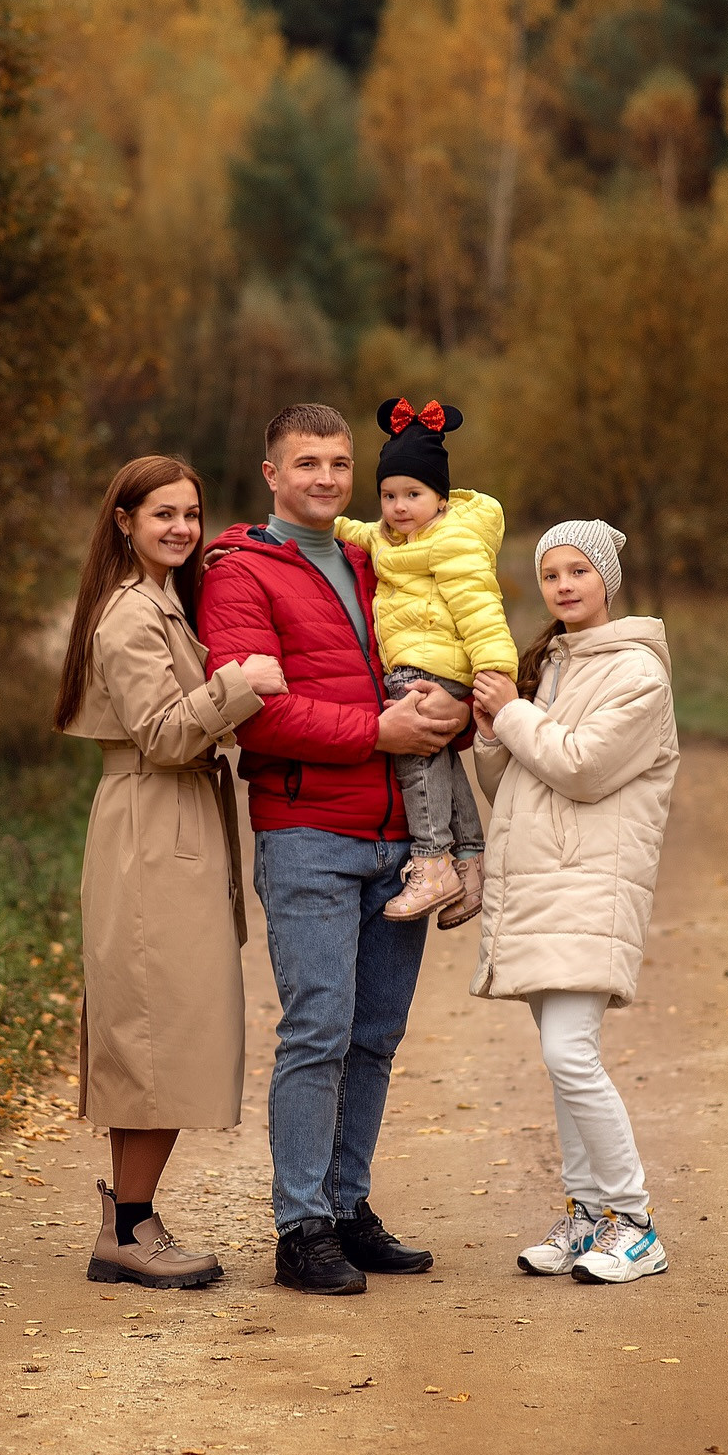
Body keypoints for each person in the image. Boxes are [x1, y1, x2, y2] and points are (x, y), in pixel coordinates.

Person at [197, 403, 470, 1295]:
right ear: (271, 473)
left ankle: (349, 1210)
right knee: (318, 1028)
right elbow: (257, 708)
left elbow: (434, 650)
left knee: (377, 1036)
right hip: (307, 830)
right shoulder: (238, 573)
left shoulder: (375, 553)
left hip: (401, 838)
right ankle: (301, 1226)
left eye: (339, 463)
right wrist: (377, 732)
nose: (326, 478)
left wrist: (455, 708)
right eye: (306, 463)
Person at [54, 455, 289, 1289]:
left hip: (175, 817)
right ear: (124, 521)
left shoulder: (163, 606)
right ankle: (127, 1227)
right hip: (151, 824)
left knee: (166, 1034)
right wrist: (242, 685)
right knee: (156, 1036)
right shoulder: (128, 616)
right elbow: (161, 733)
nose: (182, 529)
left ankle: (130, 1219)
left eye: (192, 514)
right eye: (164, 515)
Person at [468, 519, 681, 1285]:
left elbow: (584, 767)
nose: (563, 586)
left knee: (570, 1053)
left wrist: (516, 715)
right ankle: (589, 1217)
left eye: (577, 572)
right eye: (550, 573)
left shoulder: (635, 675)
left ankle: (635, 1222)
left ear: (607, 581)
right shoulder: (552, 666)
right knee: (564, 1064)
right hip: (542, 887)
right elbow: (516, 786)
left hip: (590, 886)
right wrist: (494, 734)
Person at [332, 396, 516, 928]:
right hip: (421, 663)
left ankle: (432, 858)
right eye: (389, 495)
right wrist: (271, 536)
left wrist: (494, 674)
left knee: (413, 756)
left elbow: (481, 608)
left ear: (440, 498)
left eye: (413, 494)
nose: (398, 506)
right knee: (439, 757)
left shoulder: (451, 541)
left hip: (430, 667)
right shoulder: (391, 537)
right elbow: (351, 531)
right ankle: (472, 860)